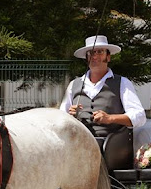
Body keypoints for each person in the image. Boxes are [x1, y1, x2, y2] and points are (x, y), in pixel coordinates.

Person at [60, 35, 146, 170]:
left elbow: (140, 116)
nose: (95, 56)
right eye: (91, 53)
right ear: (87, 58)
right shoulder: (74, 85)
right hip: (79, 144)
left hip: (111, 145)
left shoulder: (122, 83)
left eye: (100, 52)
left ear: (108, 57)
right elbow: (61, 118)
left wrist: (110, 118)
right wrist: (70, 115)